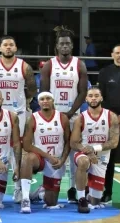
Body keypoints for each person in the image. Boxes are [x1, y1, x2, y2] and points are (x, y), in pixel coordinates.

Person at [0, 35, 37, 203]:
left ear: (15, 47)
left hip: (17, 114)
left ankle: (19, 189)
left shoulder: (24, 67)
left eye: (11, 44)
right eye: (5, 45)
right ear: (0, 48)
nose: (9, 47)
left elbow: (32, 88)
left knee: (18, 151)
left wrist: (24, 98)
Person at [40, 26, 88, 203]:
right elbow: (44, 92)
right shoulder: (49, 65)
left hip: (73, 115)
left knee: (74, 150)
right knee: (54, 151)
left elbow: (82, 92)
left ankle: (73, 189)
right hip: (54, 116)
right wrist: (53, 113)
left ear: (72, 46)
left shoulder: (79, 64)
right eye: (62, 44)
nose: (65, 46)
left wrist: (70, 112)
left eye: (68, 43)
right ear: (57, 46)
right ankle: (47, 185)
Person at [70, 87, 120, 213]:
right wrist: (88, 151)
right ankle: (81, 198)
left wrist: (94, 148)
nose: (93, 98)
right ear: (86, 98)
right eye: (90, 96)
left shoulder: (111, 116)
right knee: (83, 162)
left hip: (101, 156)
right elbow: (73, 142)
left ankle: (89, 194)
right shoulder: (80, 118)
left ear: (101, 98)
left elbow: (114, 142)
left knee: (95, 202)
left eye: (96, 95)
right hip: (83, 153)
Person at [20, 92, 70, 213]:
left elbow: (68, 142)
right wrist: (48, 156)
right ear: (39, 102)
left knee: (51, 202)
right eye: (42, 99)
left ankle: (39, 193)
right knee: (28, 158)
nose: (45, 101)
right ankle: (25, 198)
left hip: (56, 160)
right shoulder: (32, 118)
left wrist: (62, 160)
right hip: (40, 158)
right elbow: (26, 145)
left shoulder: (62, 118)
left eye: (48, 98)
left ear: (53, 101)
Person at [98, 44, 120, 203]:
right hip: (110, 122)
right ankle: (107, 192)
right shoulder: (104, 73)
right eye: (118, 53)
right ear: (112, 55)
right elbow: (101, 99)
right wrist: (115, 117)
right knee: (108, 160)